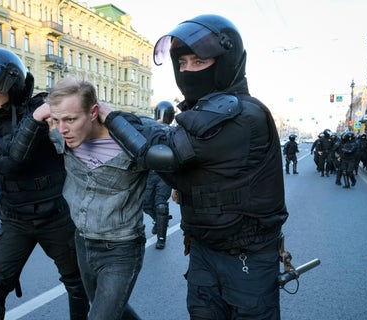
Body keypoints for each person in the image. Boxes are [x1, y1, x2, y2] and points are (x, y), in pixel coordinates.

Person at [100, 14, 289, 319]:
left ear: (225, 61)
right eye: (183, 63)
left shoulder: (242, 114)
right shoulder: (201, 112)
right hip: (203, 248)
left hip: (247, 256)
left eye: (198, 62)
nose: (187, 70)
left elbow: (163, 153)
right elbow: (169, 138)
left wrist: (111, 118)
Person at [0, 48, 89, 320]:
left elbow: (86, 118)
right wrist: (36, 120)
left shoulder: (44, 108)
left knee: (85, 289)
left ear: (12, 85)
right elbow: (9, 161)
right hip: (16, 221)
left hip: (57, 217)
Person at [22, 77, 148, 319]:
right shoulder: (62, 137)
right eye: (57, 120)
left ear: (93, 113)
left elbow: (174, 162)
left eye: (70, 119)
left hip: (121, 248)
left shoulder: (131, 142)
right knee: (111, 311)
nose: (62, 129)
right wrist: (39, 114)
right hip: (83, 242)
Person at [143, 100, 175, 249]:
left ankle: (161, 237)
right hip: (150, 172)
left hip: (165, 174)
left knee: (161, 206)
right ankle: (159, 220)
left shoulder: (174, 132)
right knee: (146, 204)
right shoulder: (148, 127)